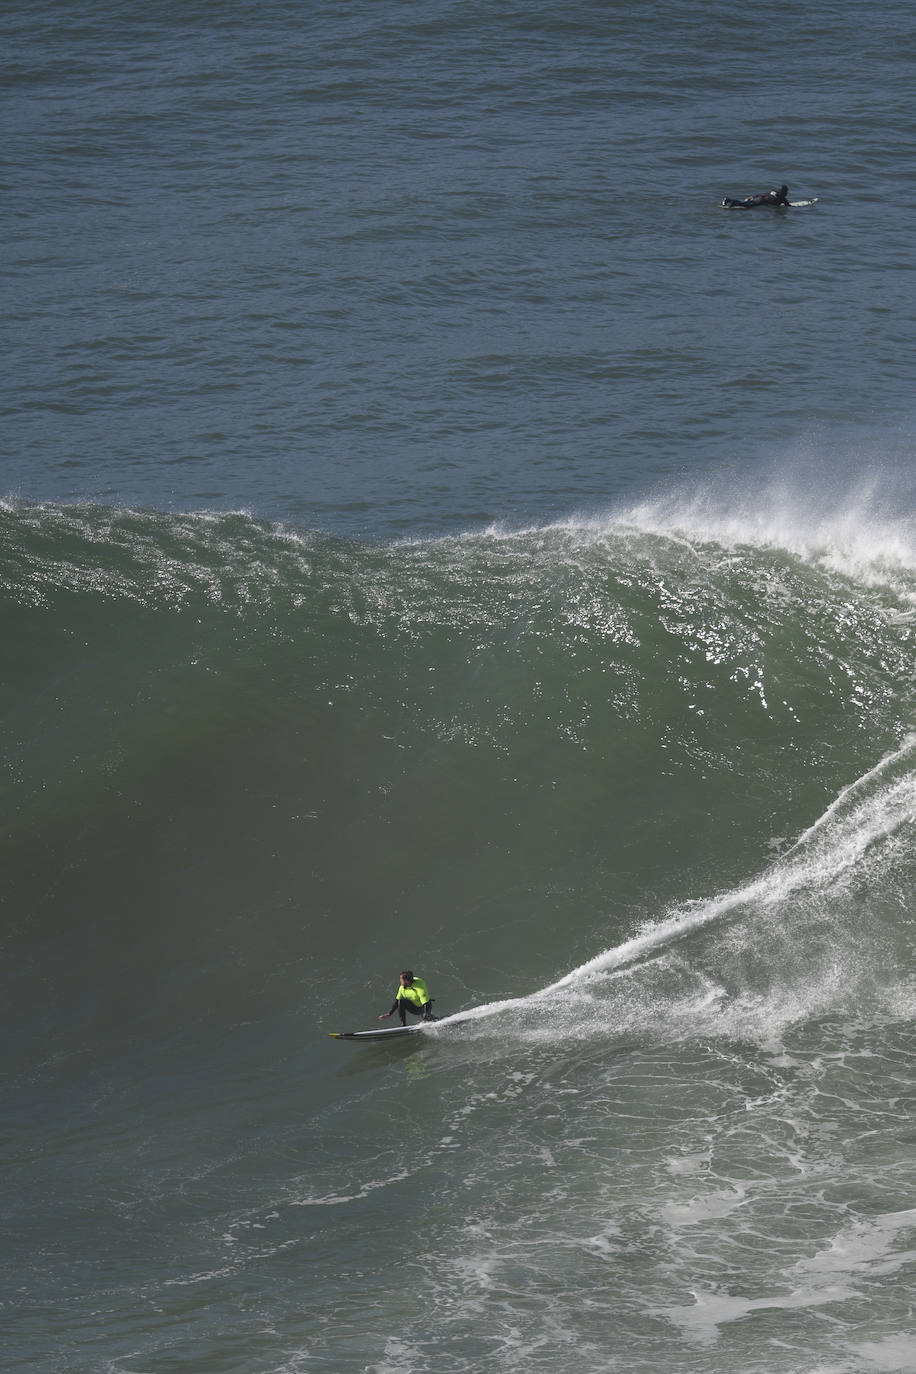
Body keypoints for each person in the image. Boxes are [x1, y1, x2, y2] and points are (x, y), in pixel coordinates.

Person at [722, 184, 790, 208]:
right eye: (786, 192)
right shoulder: (782, 198)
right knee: (746, 206)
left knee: (746, 204)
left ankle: (731, 202)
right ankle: (729, 200)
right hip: (761, 201)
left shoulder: (774, 192)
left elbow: (764, 194)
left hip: (760, 197)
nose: (787, 193)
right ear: (784, 192)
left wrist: (752, 197)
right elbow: (787, 205)